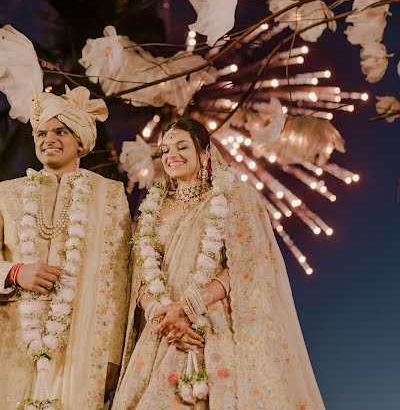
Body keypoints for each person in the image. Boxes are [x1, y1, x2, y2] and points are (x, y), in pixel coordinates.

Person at [0, 85, 131, 410]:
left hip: (79, 347)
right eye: (41, 132)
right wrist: (16, 272)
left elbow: (119, 281)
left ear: (80, 140)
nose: (49, 139)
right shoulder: (7, 194)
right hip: (9, 343)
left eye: (60, 131)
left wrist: (112, 361)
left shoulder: (109, 195)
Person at [113, 118, 325, 410]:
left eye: (182, 146)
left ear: (204, 153)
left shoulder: (234, 197)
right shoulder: (154, 209)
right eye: (165, 150)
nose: (172, 155)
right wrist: (158, 312)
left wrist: (191, 306)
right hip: (163, 328)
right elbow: (139, 276)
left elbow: (250, 262)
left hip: (213, 323)